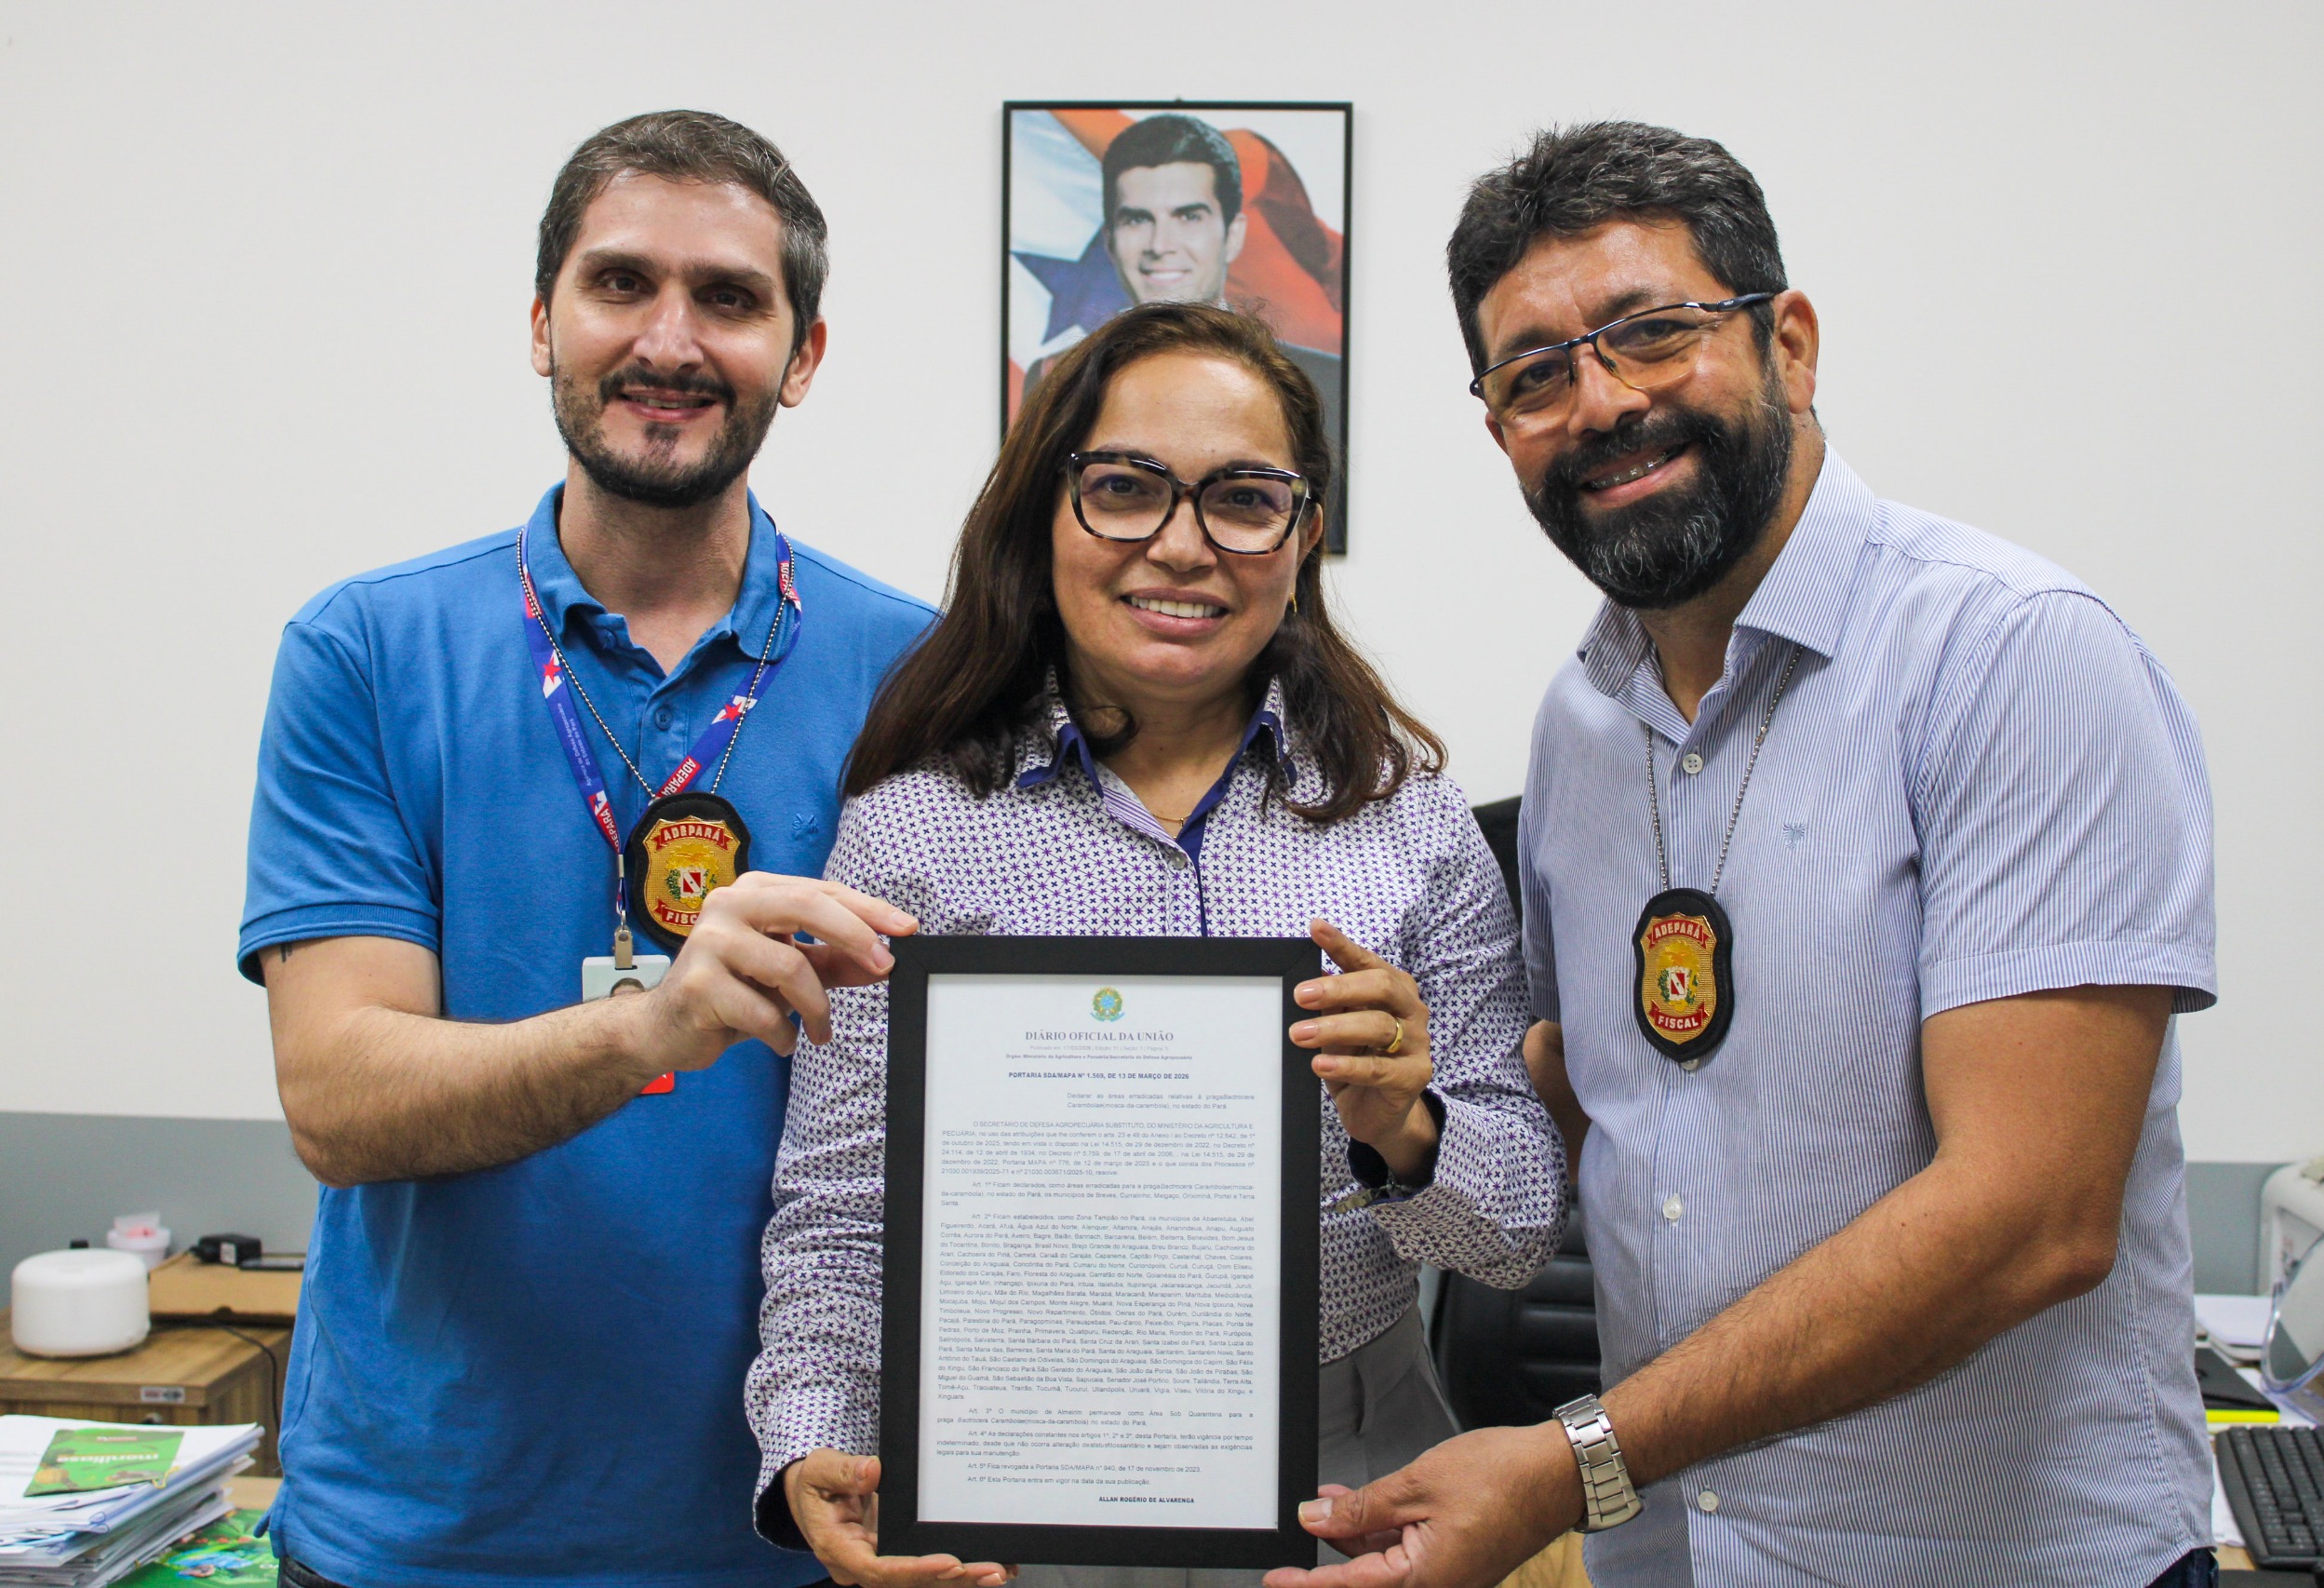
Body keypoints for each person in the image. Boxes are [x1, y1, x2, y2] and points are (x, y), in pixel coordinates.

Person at [1277, 123, 2220, 1588]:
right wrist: (1423, 1109)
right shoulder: (1582, 723)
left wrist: (1575, 1456)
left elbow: (2033, 1218)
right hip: (1681, 1558)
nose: (1599, 403)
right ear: (1498, 428)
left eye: (1653, 333)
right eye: (1535, 373)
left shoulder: (2011, 657)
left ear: (1791, 341)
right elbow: (1613, 1118)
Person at [744, 302, 1567, 1588]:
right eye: (1125, 487)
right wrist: (814, 1447)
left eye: (1244, 498)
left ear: (1305, 534)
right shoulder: (911, 835)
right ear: (1045, 513)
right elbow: (843, 1217)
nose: (1182, 546)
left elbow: (1515, 1232)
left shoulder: (1410, 822)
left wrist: (1408, 1127)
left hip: (1354, 1475)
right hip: (1013, 1479)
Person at [237, 111, 934, 1588]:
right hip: (424, 1535)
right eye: (621, 283)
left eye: (731, 299)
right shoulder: (366, 651)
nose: (669, 339)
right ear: (542, 321)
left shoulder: (922, 679)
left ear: (803, 357)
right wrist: (658, 1024)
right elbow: (338, 1097)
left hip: (794, 1532)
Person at [1022, 114, 1343, 457]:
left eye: (1189, 217)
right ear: (1110, 240)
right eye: (1137, 219)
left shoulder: (1322, 382)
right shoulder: (1055, 377)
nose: (1161, 245)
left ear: (1233, 236)